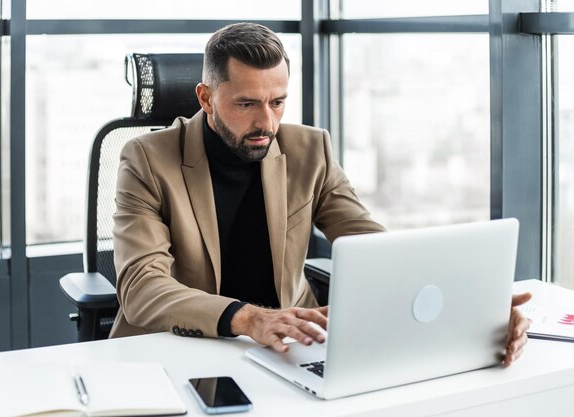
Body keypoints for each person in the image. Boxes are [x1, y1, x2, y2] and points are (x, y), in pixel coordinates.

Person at [110, 22, 530, 366]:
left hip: (292, 345)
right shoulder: (147, 159)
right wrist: (249, 318)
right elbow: (141, 286)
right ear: (206, 98)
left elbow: (373, 244)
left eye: (277, 102)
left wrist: (474, 306)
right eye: (246, 104)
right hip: (180, 349)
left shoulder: (310, 150)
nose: (267, 123)